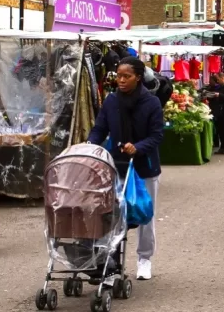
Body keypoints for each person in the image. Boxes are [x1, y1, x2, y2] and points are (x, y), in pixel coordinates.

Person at [87, 57, 164, 281]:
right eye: (118, 76)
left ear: (138, 77)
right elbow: (100, 128)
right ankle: (110, 262)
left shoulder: (151, 103)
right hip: (116, 165)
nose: (120, 80)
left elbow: (157, 135)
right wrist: (91, 145)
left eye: (126, 76)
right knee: (112, 215)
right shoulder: (111, 101)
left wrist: (138, 147)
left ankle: (144, 258)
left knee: (144, 214)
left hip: (144, 167)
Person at [206, 72, 224, 154]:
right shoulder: (222, 86)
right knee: (221, 130)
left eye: (218, 79)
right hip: (221, 111)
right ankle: (223, 147)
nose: (217, 81)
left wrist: (219, 95)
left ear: (222, 78)